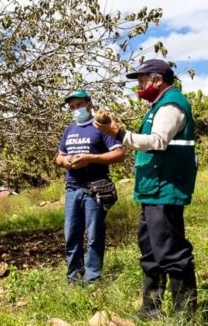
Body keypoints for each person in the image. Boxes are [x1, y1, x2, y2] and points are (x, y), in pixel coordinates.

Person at [94, 59, 198, 317]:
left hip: (166, 187)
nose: (139, 86)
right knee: (151, 250)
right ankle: (150, 310)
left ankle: (184, 314)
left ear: (157, 79)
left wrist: (119, 134)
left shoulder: (172, 104)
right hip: (153, 189)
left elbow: (157, 141)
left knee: (170, 251)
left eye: (141, 80)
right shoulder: (157, 106)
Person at [55, 90, 124, 284]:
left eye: (79, 105)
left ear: (89, 104)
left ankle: (92, 278)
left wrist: (90, 159)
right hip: (72, 189)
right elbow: (58, 157)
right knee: (71, 235)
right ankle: (74, 277)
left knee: (94, 236)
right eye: (72, 107)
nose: (76, 110)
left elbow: (119, 154)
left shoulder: (100, 127)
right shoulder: (69, 130)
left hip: (95, 189)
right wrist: (66, 161)